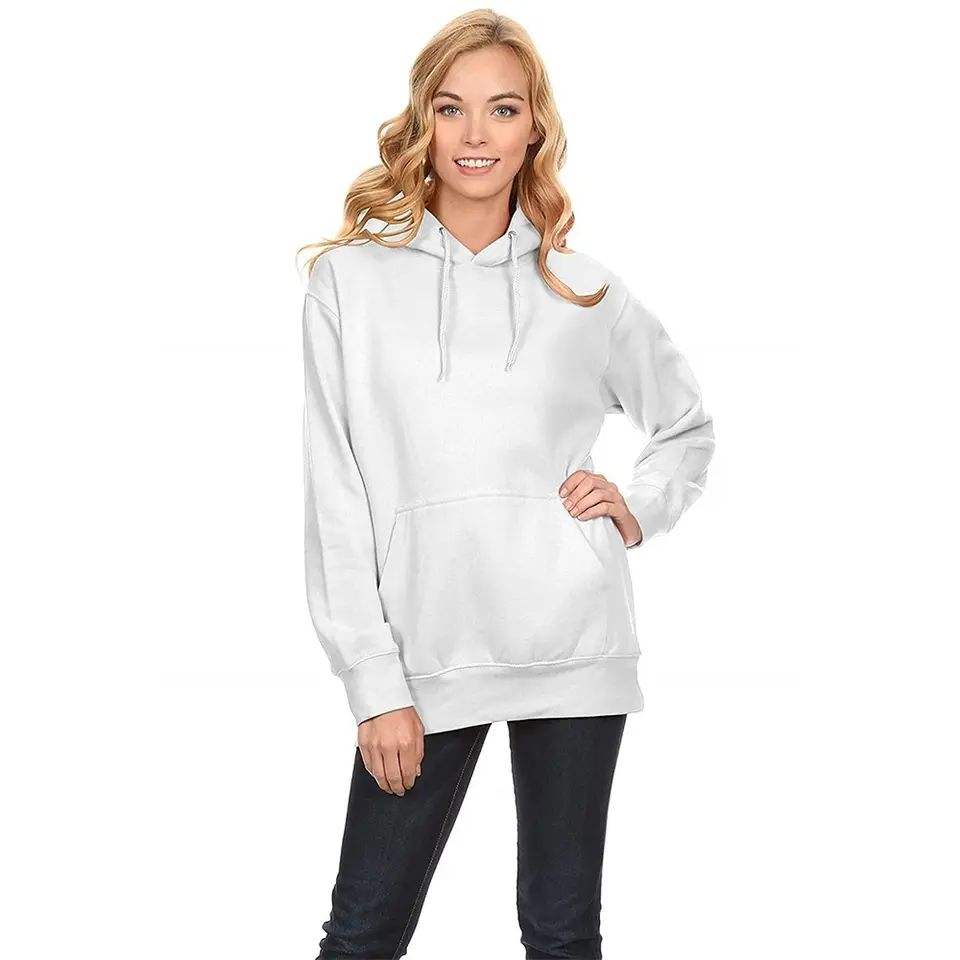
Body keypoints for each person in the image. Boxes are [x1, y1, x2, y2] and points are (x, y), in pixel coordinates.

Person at [296, 10, 715, 959]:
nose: (476, 134)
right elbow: (335, 496)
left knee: (561, 935)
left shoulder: (585, 291)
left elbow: (686, 426)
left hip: (573, 643)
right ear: (423, 122)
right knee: (361, 934)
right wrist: (372, 682)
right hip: (422, 655)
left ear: (535, 127)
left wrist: (637, 508)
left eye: (502, 108)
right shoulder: (349, 283)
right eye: (451, 108)